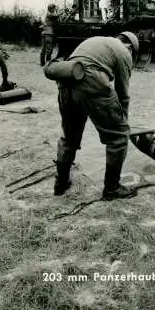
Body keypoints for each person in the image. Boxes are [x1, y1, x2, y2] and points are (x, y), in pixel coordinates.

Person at [48, 31, 139, 200]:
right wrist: (122, 122)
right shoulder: (124, 51)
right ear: (131, 47)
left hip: (65, 84)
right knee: (118, 137)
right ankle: (112, 188)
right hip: (91, 81)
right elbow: (123, 93)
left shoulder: (96, 41)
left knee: (69, 137)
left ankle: (60, 183)